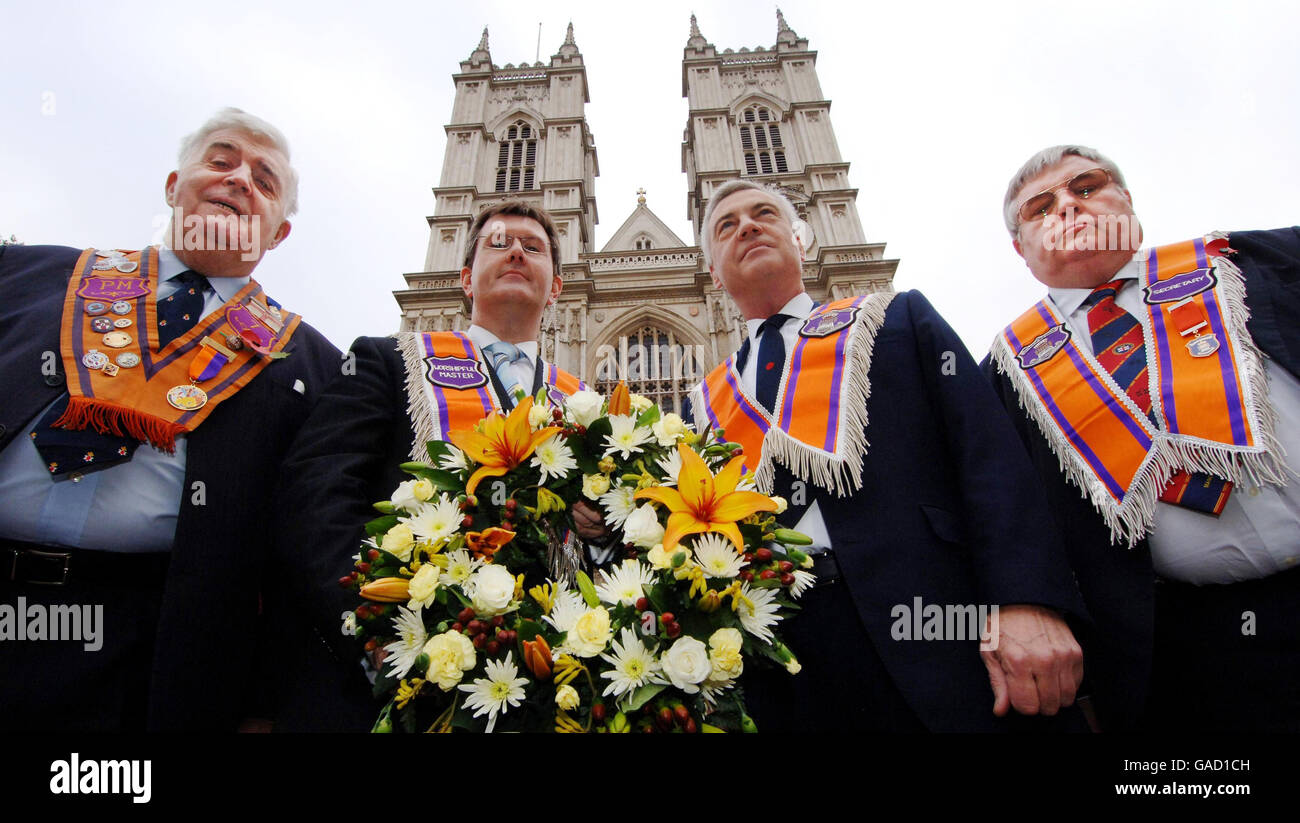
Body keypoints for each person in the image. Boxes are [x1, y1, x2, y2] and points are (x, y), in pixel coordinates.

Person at [690, 179, 1088, 731]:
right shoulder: (703, 404)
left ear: (801, 240)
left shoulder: (895, 318)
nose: (748, 227)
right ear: (712, 273)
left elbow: (988, 453)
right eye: (726, 226)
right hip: (780, 659)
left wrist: (1029, 600)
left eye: (764, 214)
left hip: (935, 621)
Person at [0, 107, 339, 731]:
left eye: (265, 181)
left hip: (145, 649)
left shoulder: (315, 366)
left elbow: (303, 556)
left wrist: (266, 707)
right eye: (220, 160)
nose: (239, 179)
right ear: (171, 187)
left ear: (278, 233)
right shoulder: (22, 275)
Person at [984, 145, 1300, 732]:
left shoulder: (1254, 260)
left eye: (1086, 187)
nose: (1068, 208)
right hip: (1205, 652)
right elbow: (1001, 514)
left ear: (1125, 203)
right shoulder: (1005, 375)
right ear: (1020, 249)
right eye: (1041, 207)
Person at [272, 200, 593, 730]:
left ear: (556, 286)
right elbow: (316, 497)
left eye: (533, 248)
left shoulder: (585, 404)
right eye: (499, 242)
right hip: (402, 672)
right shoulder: (388, 360)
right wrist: (371, 622)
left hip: (553, 684)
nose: (516, 250)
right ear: (466, 279)